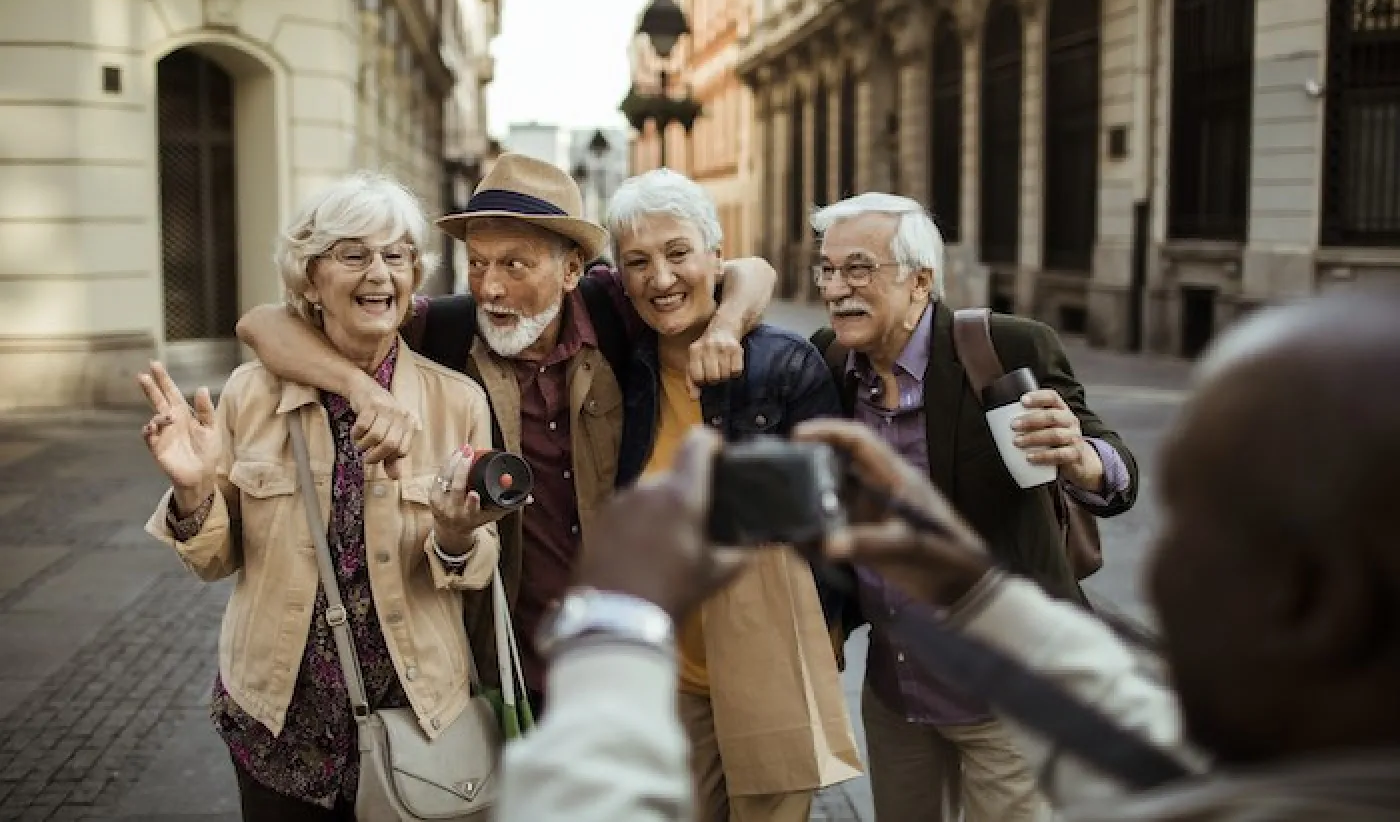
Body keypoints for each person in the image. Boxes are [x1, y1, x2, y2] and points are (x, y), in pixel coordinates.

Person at [497, 289, 1400, 822]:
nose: (1154, 570)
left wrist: (615, 622)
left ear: (1316, 601)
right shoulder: (1278, 781)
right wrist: (970, 585)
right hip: (907, 688)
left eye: (1197, 527)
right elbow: (1125, 725)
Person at [235, 153, 777, 714]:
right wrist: (361, 387)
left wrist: (728, 326)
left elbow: (749, 271)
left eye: (516, 266)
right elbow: (262, 324)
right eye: (479, 263)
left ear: (571, 272)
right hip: (502, 663)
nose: (489, 288)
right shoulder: (442, 328)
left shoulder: (615, 310)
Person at [139, 172, 505, 821]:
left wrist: (454, 536)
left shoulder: (458, 402)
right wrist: (194, 490)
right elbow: (215, 560)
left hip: (415, 722)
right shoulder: (251, 396)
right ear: (310, 278)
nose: (379, 273)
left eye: (395, 256)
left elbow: (476, 566)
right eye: (353, 254)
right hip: (276, 724)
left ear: (414, 276)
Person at [808, 193, 1140, 822]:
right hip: (897, 688)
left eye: (858, 268)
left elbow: (1115, 469)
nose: (834, 288)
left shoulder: (1005, 348)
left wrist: (1081, 456)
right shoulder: (829, 360)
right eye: (825, 269)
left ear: (920, 281)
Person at [606, 169, 862, 822]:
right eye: (637, 262)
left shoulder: (781, 365)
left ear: (715, 257)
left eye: (678, 253)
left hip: (769, 655)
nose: (660, 278)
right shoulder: (620, 362)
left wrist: (821, 630)